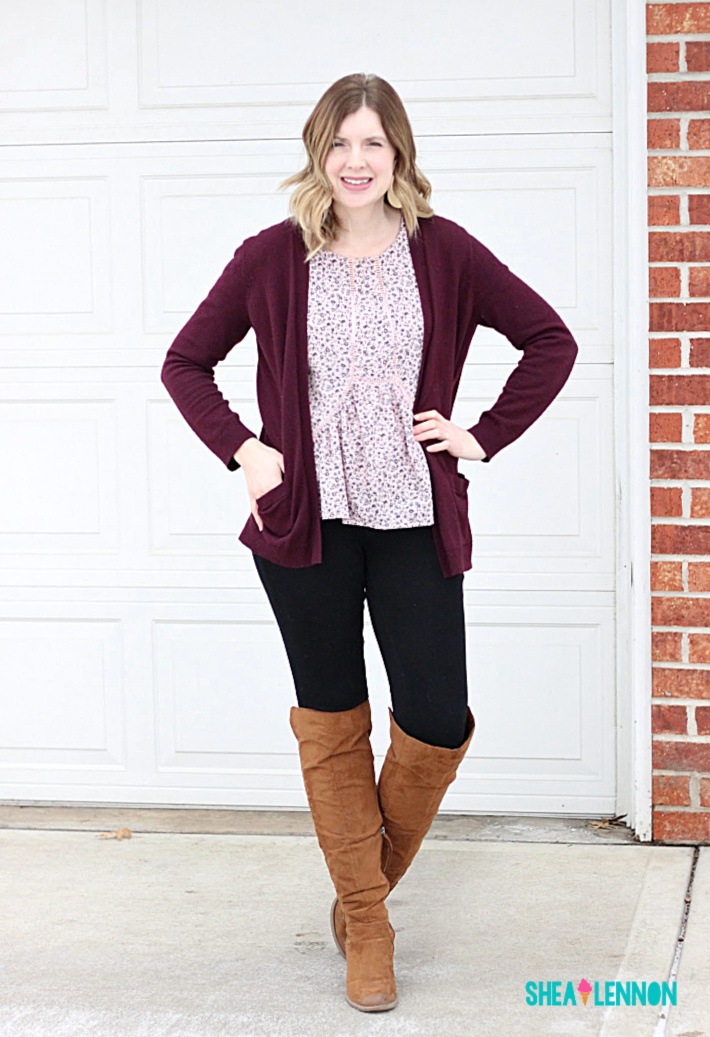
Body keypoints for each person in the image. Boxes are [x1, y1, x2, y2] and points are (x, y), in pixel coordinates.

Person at [160, 72, 578, 1014]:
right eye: (340, 144)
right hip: (303, 523)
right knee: (333, 717)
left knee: (436, 713)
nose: (356, 161)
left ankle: (362, 889)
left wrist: (480, 434)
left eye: (373, 144)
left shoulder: (445, 253)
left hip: (411, 517)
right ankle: (369, 922)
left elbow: (549, 340)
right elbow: (184, 361)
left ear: (399, 157)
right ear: (319, 154)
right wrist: (245, 449)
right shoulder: (273, 257)